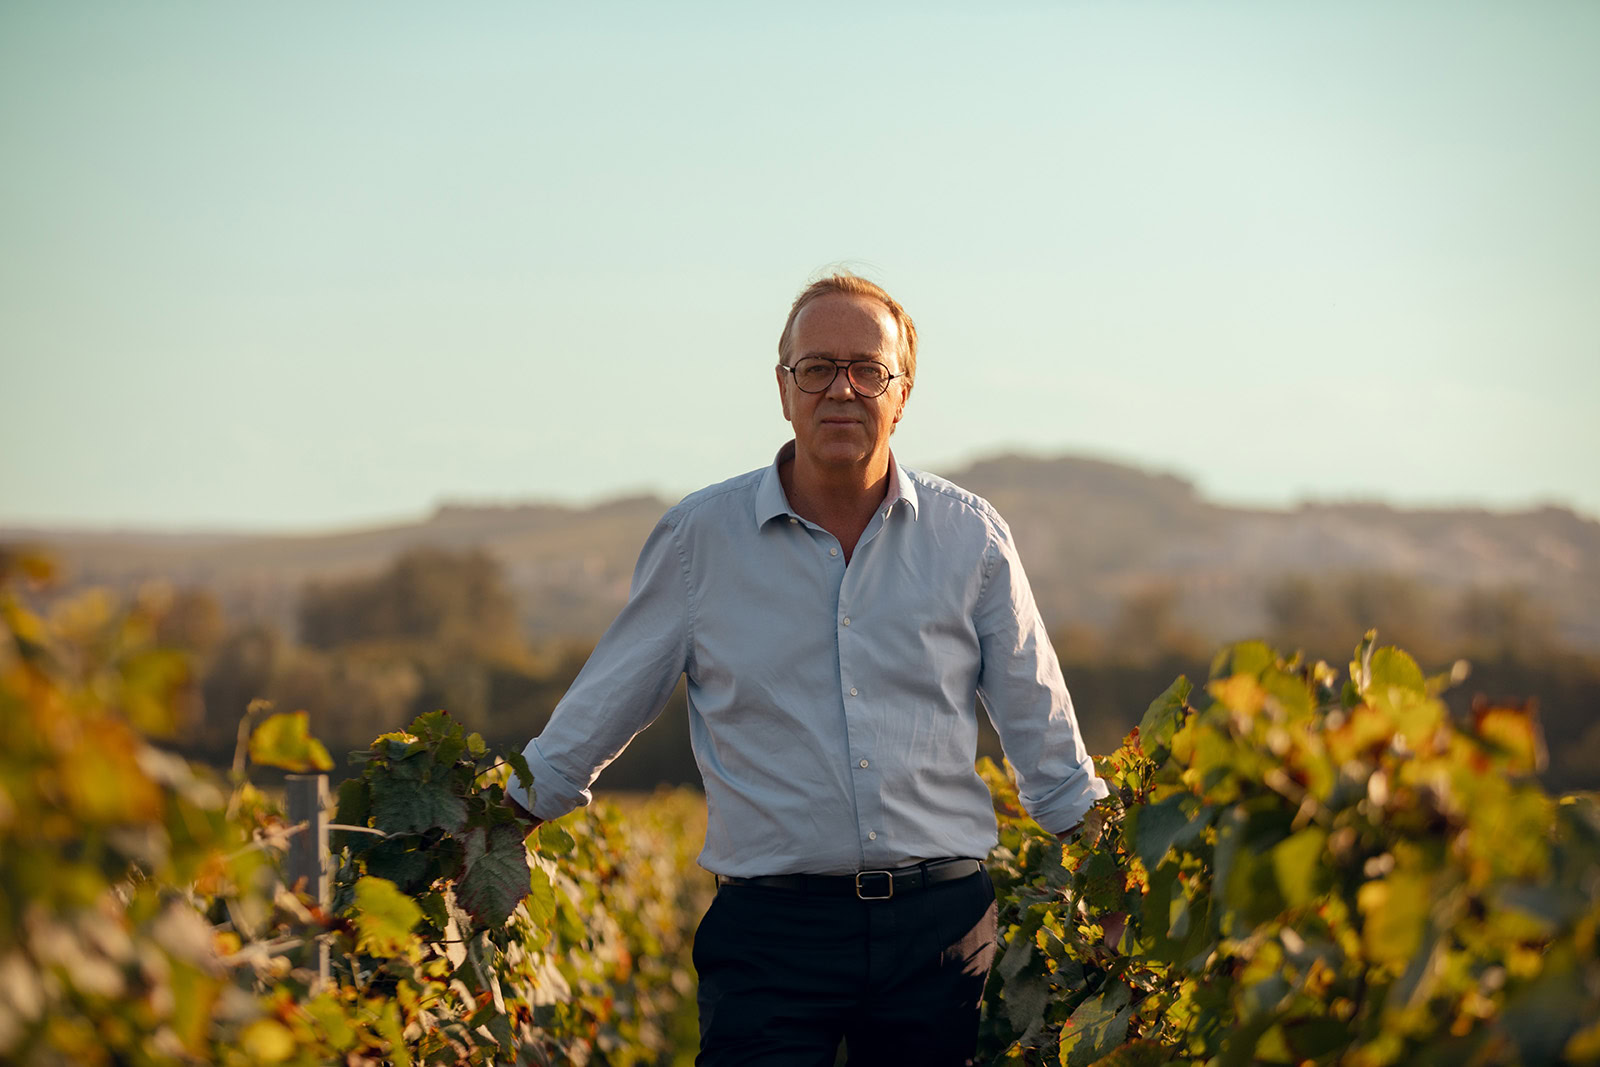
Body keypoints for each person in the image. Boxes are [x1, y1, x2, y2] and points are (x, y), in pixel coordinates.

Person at [504, 273, 1107, 1065]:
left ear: (903, 392)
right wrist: (493, 831)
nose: (842, 390)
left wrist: (1122, 879)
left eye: (868, 369)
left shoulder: (972, 540)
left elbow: (1046, 742)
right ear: (783, 389)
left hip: (941, 936)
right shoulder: (699, 542)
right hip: (771, 936)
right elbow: (598, 712)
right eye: (817, 368)